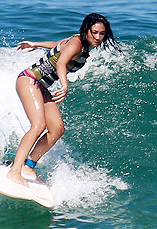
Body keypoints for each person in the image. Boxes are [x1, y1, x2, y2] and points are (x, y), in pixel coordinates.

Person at [7, 13, 119, 186]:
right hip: (29, 80)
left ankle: (28, 166)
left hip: (41, 86)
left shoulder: (79, 43)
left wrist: (35, 44)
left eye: (102, 34)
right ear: (86, 30)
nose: (98, 37)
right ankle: (14, 171)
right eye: (94, 32)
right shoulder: (77, 42)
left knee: (57, 129)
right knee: (38, 126)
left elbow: (56, 45)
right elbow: (61, 63)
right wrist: (65, 86)